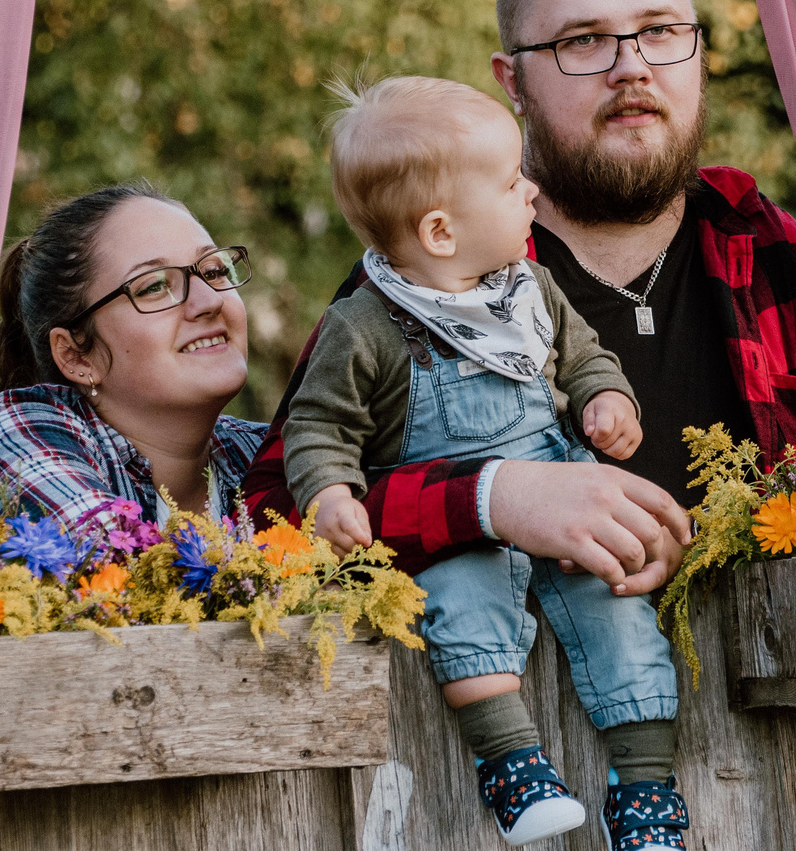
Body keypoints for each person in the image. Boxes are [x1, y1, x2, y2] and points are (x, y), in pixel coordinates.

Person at [242, 0, 796, 606]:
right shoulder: (424, 282)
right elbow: (268, 519)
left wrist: (713, 540)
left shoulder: (769, 251)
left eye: (660, 30)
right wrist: (493, 497)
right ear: (514, 81)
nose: (632, 67)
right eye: (583, 40)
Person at [286, 76, 684, 847]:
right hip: (457, 526)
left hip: (561, 492)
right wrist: (330, 491)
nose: (531, 190)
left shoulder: (530, 289)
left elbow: (584, 356)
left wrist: (608, 400)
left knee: (621, 609)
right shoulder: (363, 325)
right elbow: (319, 424)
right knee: (461, 611)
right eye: (510, 182)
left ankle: (644, 788)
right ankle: (513, 767)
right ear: (440, 231)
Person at [0, 182, 265, 539]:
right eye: (154, 286)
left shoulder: (275, 455)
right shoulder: (13, 438)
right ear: (76, 356)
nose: (210, 300)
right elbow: (103, 566)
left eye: (214, 271)